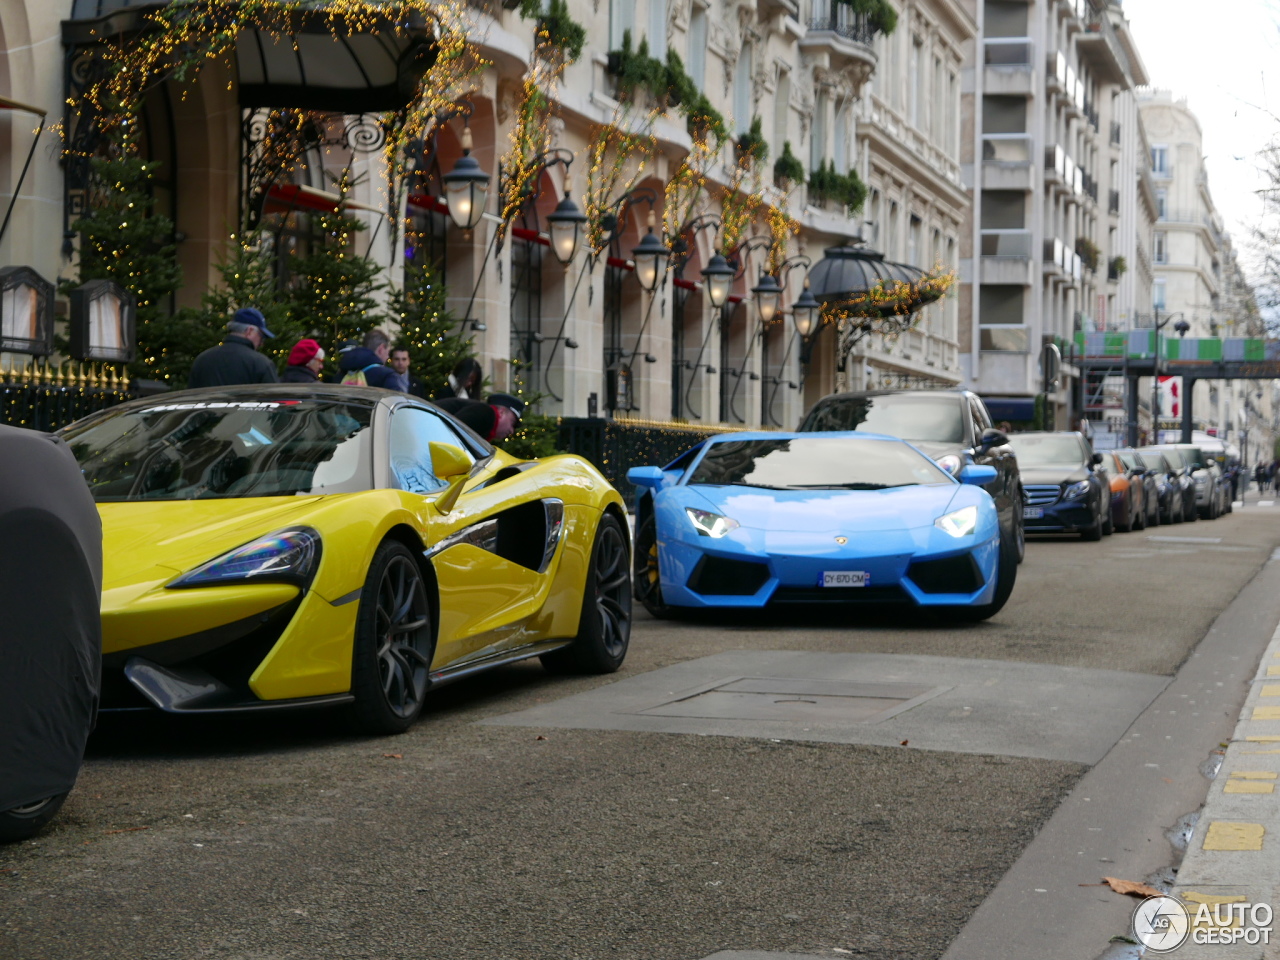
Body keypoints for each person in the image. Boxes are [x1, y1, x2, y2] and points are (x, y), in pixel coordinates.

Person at [187, 308, 279, 388]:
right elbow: (274, 400)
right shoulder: (261, 363)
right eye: (261, 336)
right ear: (249, 331)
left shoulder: (202, 359)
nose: (261, 343)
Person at [435, 393, 524, 442]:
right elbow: (453, 434)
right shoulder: (486, 413)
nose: (511, 430)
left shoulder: (485, 416)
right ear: (501, 412)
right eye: (512, 423)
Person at [337, 330, 407, 390]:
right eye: (388, 352)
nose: (388, 356)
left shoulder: (341, 372)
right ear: (381, 349)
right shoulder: (387, 376)